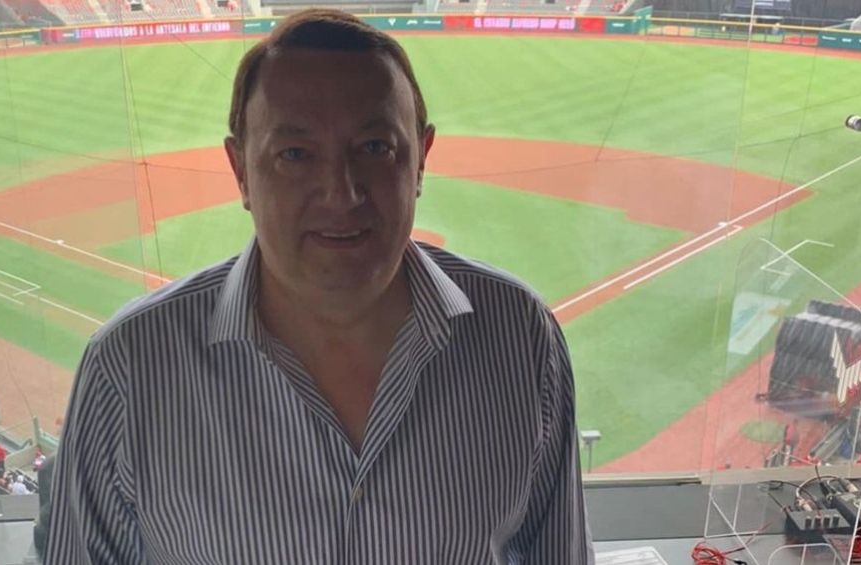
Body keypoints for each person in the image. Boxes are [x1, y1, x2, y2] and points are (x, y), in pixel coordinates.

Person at [46, 9, 592, 564]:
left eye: (375, 147)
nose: (341, 192)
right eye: (295, 155)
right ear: (241, 171)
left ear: (421, 161)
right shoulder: (127, 367)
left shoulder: (521, 336)